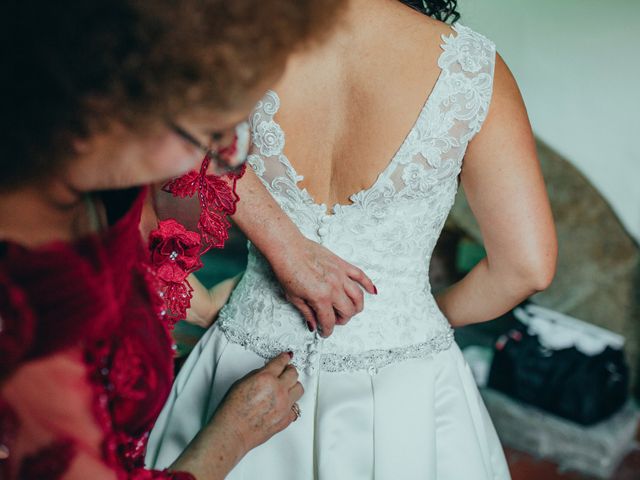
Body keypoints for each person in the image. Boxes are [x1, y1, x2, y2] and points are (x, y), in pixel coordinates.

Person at [146, 0, 558, 479]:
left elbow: (173, 179)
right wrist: (412, 315)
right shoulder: (472, 67)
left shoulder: (242, 38)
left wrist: (215, 283)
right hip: (405, 385)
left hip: (248, 357)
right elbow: (526, 267)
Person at [0, 0, 348, 478]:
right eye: (209, 133)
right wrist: (231, 435)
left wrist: (278, 249)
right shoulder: (25, 298)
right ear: (101, 109)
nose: (226, 158)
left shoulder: (108, 199)